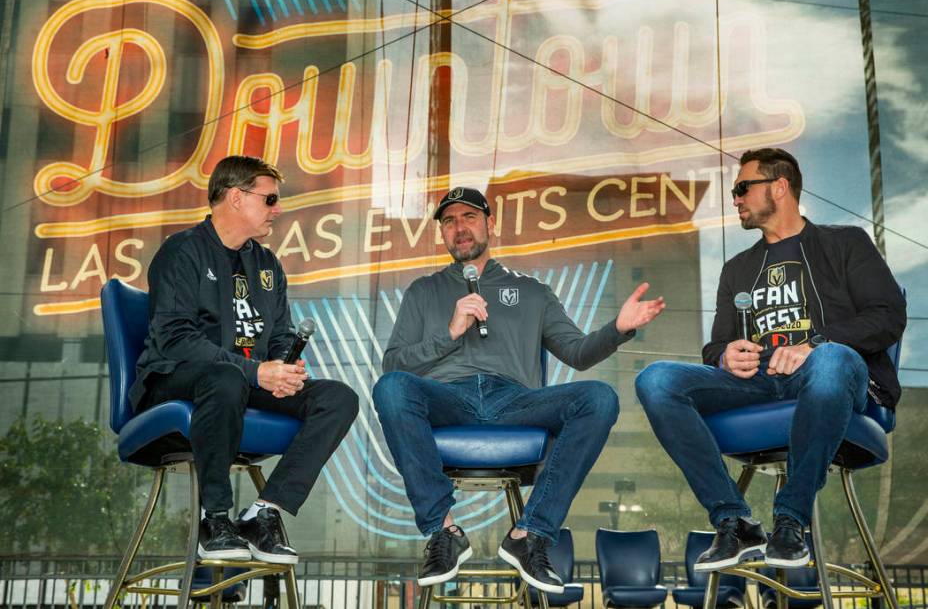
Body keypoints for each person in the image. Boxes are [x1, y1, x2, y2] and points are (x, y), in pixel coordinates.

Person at [372, 187, 666, 593]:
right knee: (391, 388)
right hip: (448, 399)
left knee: (598, 398)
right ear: (442, 232)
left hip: (515, 400)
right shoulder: (424, 291)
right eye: (449, 221)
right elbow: (395, 365)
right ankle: (443, 532)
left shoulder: (532, 291)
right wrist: (450, 333)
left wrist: (618, 328)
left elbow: (578, 353)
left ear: (490, 224)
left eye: (469, 218)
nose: (459, 228)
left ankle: (529, 534)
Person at [635, 148, 906, 570]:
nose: (736, 199)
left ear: (779, 187)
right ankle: (734, 520)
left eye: (743, 188)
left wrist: (815, 344)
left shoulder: (844, 243)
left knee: (832, 359)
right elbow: (715, 346)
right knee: (656, 380)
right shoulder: (736, 269)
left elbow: (888, 316)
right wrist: (724, 356)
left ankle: (790, 520)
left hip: (832, 375)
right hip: (760, 382)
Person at [129, 155, 359, 564]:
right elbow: (175, 338)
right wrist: (256, 372)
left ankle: (265, 513)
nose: (279, 209)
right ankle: (213, 517)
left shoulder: (268, 264)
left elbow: (280, 334)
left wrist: (283, 369)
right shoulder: (182, 252)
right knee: (225, 378)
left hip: (243, 383)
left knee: (338, 398)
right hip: (175, 381)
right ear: (236, 197)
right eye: (270, 199)